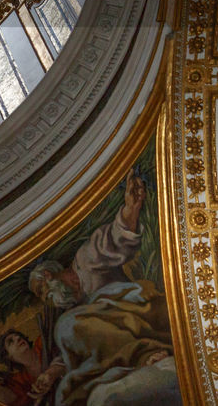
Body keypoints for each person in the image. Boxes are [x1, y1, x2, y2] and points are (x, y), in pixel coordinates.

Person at [27, 171, 180, 406]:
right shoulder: (77, 306)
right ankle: (121, 369)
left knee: (66, 325)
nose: (46, 299)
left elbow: (117, 238)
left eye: (42, 291)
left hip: (138, 313)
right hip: (116, 334)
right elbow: (75, 349)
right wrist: (50, 374)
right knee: (63, 395)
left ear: (48, 276)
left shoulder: (85, 260)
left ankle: (146, 352)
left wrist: (131, 208)